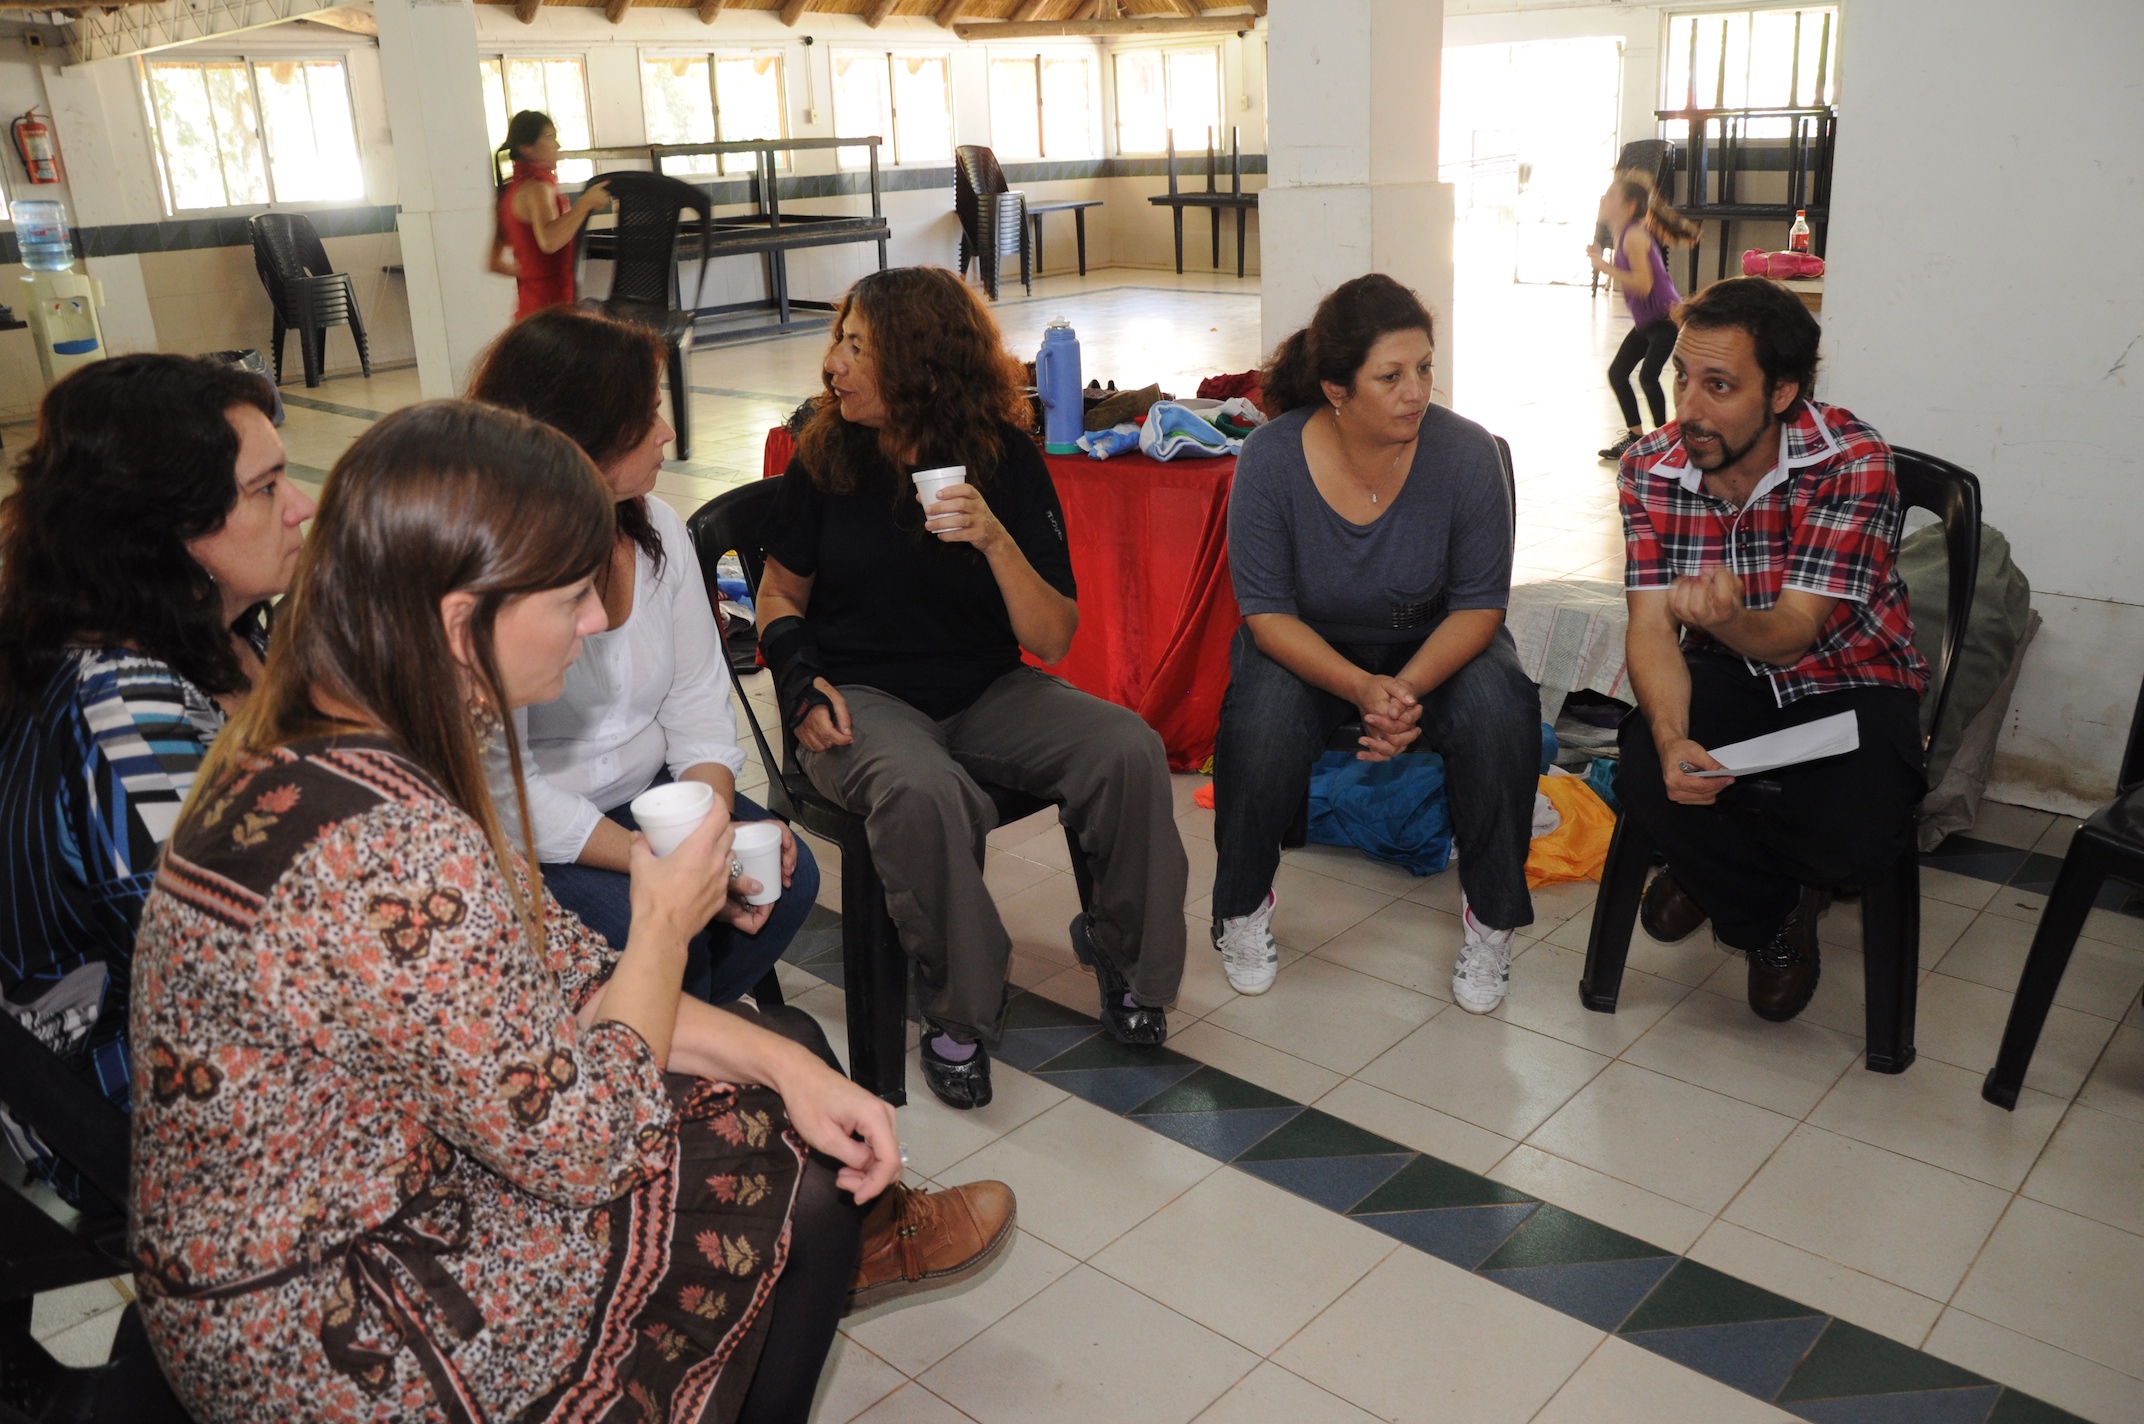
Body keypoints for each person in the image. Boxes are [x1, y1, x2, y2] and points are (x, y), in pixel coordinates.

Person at [129, 400, 1013, 1424]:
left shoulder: (355, 742)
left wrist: (791, 1067)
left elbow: (568, 982)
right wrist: (663, 925)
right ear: (460, 623)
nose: (595, 620)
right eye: (568, 596)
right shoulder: (386, 841)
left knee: (786, 1074)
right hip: (325, 1322)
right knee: (798, 1185)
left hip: (359, 1206)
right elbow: (587, 1145)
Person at [756, 265, 1188, 1111]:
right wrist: (801, 685)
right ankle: (959, 1010)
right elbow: (776, 595)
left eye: (857, 347)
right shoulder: (825, 455)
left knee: (1127, 750)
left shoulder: (1004, 459)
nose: (833, 365)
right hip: (862, 697)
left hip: (988, 688)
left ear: (921, 366)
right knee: (925, 793)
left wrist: (993, 539)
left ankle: (1127, 958)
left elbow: (1052, 638)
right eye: (839, 341)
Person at [0, 354, 313, 1203]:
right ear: (166, 530)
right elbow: (235, 980)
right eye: (265, 489)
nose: (300, 506)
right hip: (142, 1105)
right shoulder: (125, 714)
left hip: (228, 1031)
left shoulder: (212, 635)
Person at [468, 305, 817, 1006]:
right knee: (662, 927)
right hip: (538, 832)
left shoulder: (656, 525)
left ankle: (671, 1030)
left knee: (789, 875)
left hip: (653, 798)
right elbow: (504, 790)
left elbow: (696, 700)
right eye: (647, 415)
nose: (668, 433)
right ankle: (667, 1036)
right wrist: (656, 860)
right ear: (580, 434)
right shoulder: (493, 564)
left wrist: (707, 830)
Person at [1210, 273, 1540, 1011]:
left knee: (1501, 708)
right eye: (1390, 377)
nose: (1416, 392)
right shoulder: (1270, 457)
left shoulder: (1467, 454)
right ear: (1336, 388)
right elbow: (1267, 616)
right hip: (1308, 645)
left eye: (1424, 368)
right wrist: (1363, 689)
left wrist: (1404, 689)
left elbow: (1480, 607)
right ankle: (1241, 909)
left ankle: (1491, 921)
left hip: (1439, 645)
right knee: (1258, 723)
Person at [1614, 276, 1928, 1023]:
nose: (1688, 408)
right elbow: (1651, 628)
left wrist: (1727, 619)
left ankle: (1713, 870)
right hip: (1731, 674)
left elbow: (1791, 634)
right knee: (1646, 763)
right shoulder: (1649, 468)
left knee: (1856, 839)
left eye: (1719, 386)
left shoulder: (1852, 460)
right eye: (1682, 378)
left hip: (1853, 676)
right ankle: (1767, 916)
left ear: (1783, 392)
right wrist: (1672, 737)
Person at [1588, 173, 1701, 462]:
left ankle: (1667, 442)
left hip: (1665, 318)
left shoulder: (1635, 235)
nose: (1604, 200)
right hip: (1649, 321)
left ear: (1629, 205)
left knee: (1648, 377)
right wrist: (1601, 256)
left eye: (1611, 196)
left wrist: (1604, 266)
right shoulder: (1622, 232)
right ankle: (1636, 436)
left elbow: (1643, 284)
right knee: (1617, 373)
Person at [490, 109, 609, 321]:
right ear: (527, 148)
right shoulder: (537, 188)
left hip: (531, 307)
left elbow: (494, 262)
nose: (557, 145)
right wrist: (585, 203)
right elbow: (550, 241)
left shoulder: (510, 191)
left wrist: (534, 273)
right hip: (551, 309)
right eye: (550, 137)